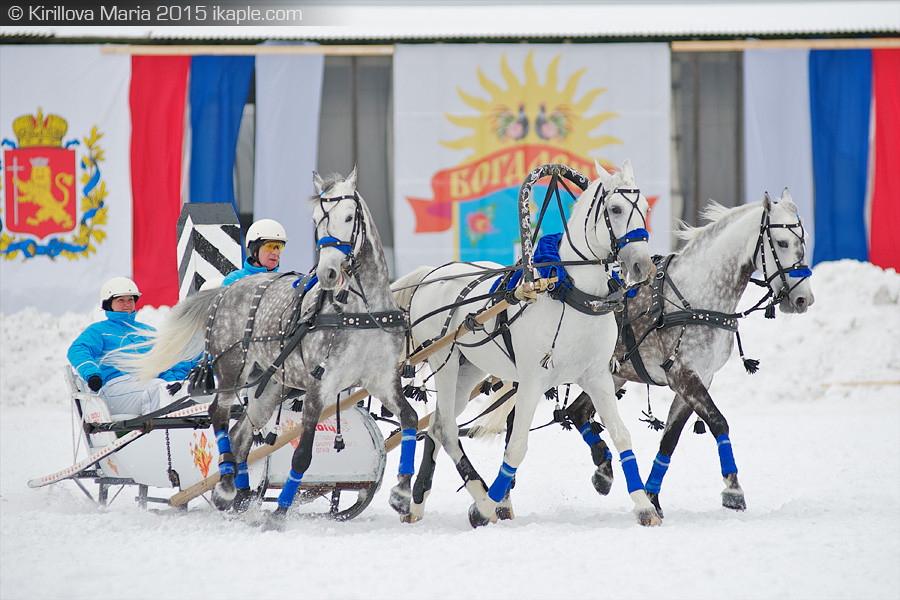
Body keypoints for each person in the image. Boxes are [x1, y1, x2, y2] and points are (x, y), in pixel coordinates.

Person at [67, 277, 195, 416]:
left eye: (130, 300)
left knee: (176, 391)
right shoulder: (99, 330)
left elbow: (162, 361)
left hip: (147, 383)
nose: (127, 304)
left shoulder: (147, 331)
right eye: (121, 300)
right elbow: (78, 349)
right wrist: (92, 374)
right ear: (109, 303)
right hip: (114, 388)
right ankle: (156, 428)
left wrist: (173, 383)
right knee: (157, 390)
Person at [221, 218, 288, 286]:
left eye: (279, 247)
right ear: (255, 250)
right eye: (269, 246)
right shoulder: (234, 279)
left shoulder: (283, 282)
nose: (276, 253)